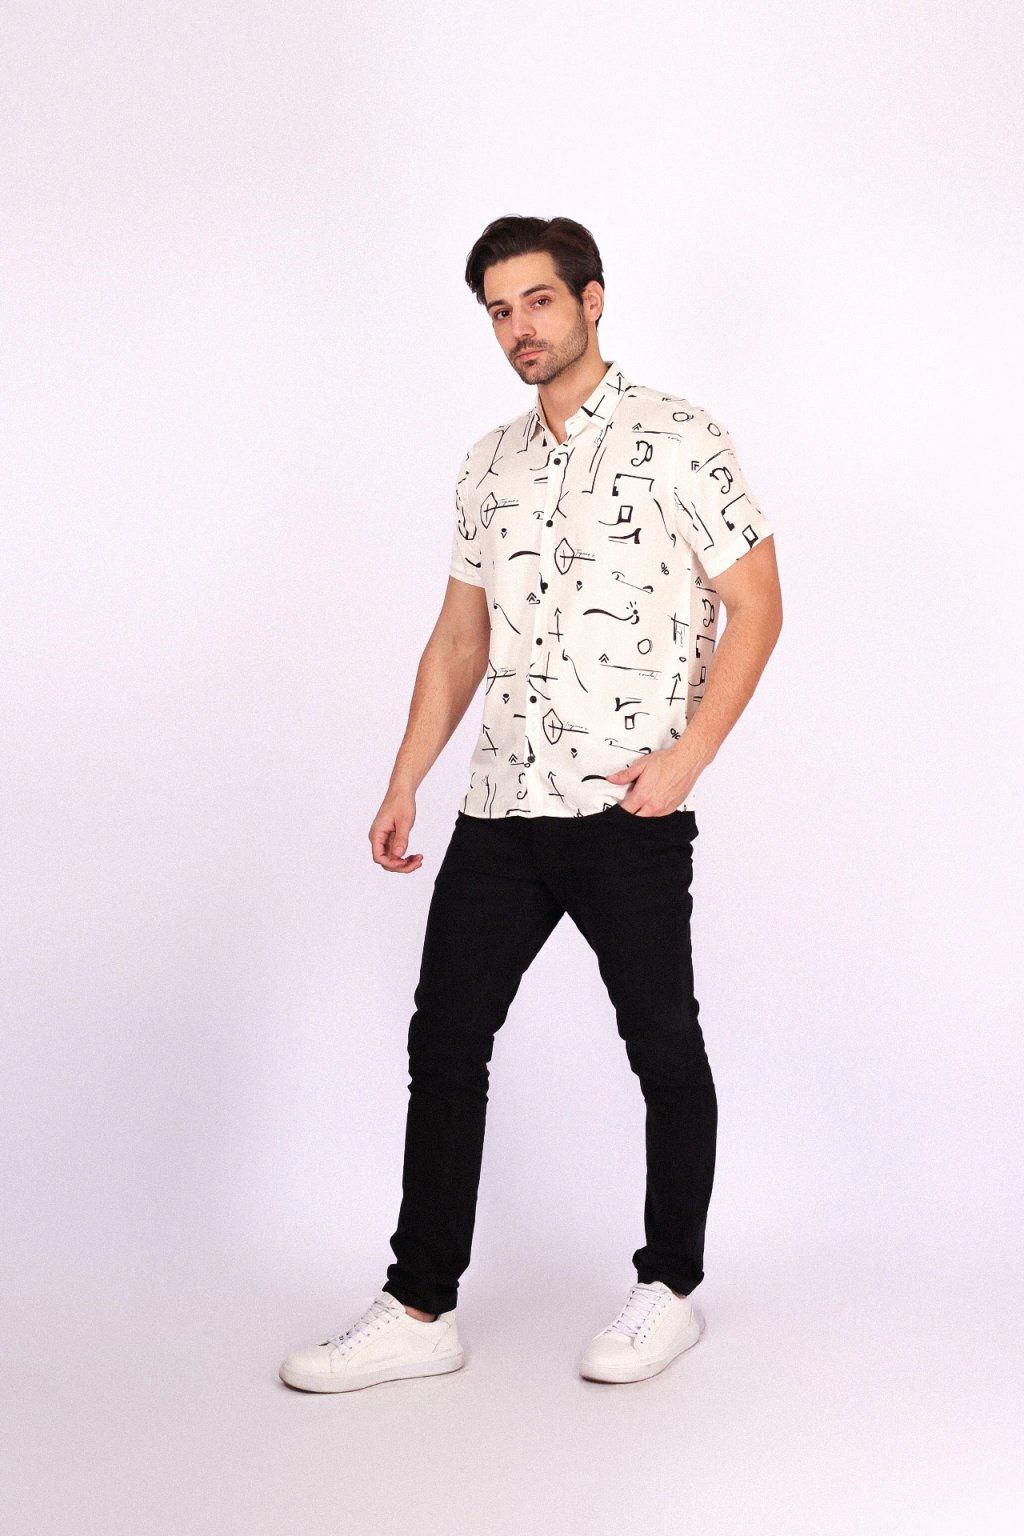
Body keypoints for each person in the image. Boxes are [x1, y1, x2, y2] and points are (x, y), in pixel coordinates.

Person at [279, 216, 783, 1394]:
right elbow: (460, 637)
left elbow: (756, 602)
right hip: (501, 807)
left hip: (626, 810)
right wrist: (406, 777)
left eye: (538, 302)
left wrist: (689, 758)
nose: (519, 328)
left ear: (591, 300)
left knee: (661, 1043)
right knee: (444, 1040)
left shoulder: (680, 438)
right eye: (500, 311)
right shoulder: (487, 465)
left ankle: (669, 1288)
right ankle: (420, 1307)